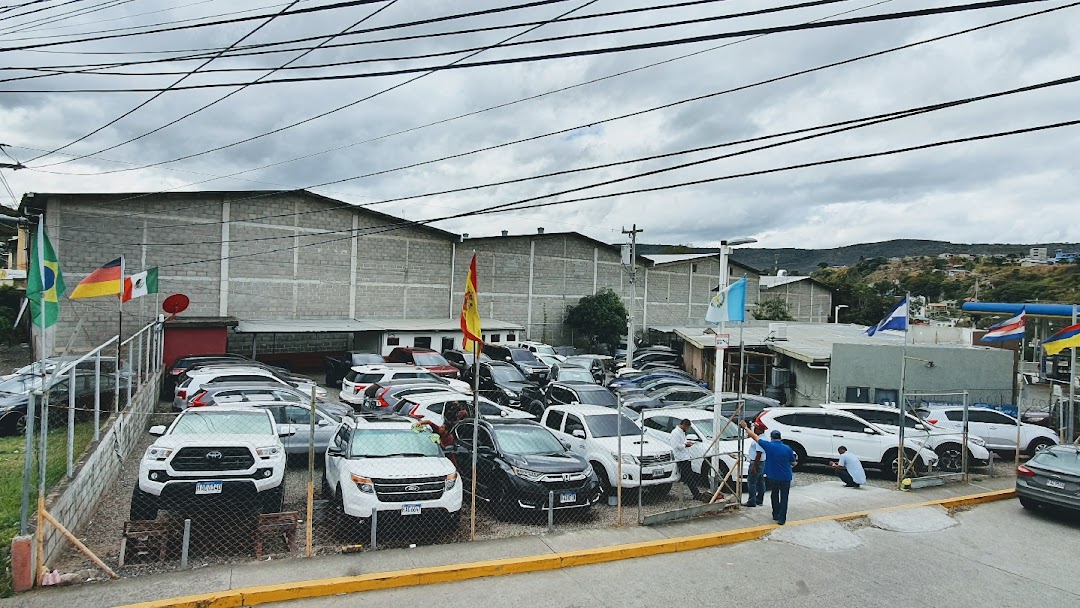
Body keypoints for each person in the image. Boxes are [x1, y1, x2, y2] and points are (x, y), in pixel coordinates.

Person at [739, 421, 798, 525]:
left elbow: (755, 437)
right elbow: (793, 462)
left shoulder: (769, 446)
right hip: (786, 477)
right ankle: (782, 519)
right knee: (784, 497)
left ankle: (775, 514)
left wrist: (745, 427)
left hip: (773, 476)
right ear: (780, 438)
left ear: (771, 437)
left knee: (774, 495)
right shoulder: (787, 448)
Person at [670, 419, 705, 501]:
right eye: (688, 427)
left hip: (685, 456)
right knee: (689, 477)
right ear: (685, 425)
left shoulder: (682, 432)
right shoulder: (675, 433)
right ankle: (696, 494)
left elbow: (682, 442)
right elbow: (675, 446)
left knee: (687, 477)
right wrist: (685, 445)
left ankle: (688, 493)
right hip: (680, 458)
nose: (688, 429)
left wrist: (686, 443)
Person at [744, 434, 766, 507]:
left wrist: (754, 467)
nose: (755, 429)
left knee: (752, 482)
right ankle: (759, 499)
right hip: (761, 462)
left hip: (757, 462)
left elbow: (759, 454)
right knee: (760, 480)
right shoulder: (763, 437)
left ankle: (752, 501)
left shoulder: (760, 439)